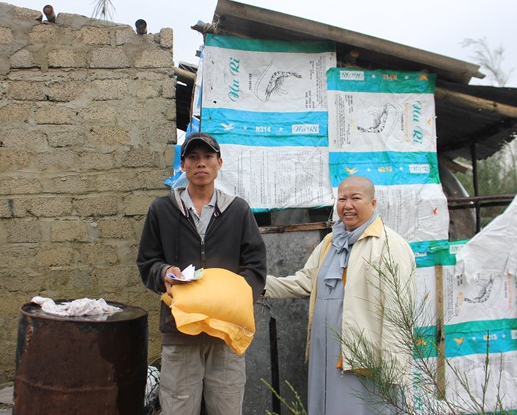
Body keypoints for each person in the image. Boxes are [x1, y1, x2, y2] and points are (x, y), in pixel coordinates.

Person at [137, 132, 267, 415]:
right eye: (193, 157)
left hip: (226, 333)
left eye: (208, 156)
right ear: (183, 165)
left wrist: (234, 302)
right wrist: (164, 272)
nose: (201, 163)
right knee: (178, 407)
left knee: (226, 408)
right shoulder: (162, 210)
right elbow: (147, 262)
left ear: (219, 163)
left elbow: (256, 266)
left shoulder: (238, 211)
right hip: (180, 331)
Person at [264, 175, 415, 415]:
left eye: (356, 198)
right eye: (342, 199)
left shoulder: (389, 245)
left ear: (373, 203)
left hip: (362, 356)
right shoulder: (330, 242)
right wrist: (257, 285)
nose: (348, 205)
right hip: (325, 351)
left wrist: (394, 369)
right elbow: (305, 282)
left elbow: (399, 310)